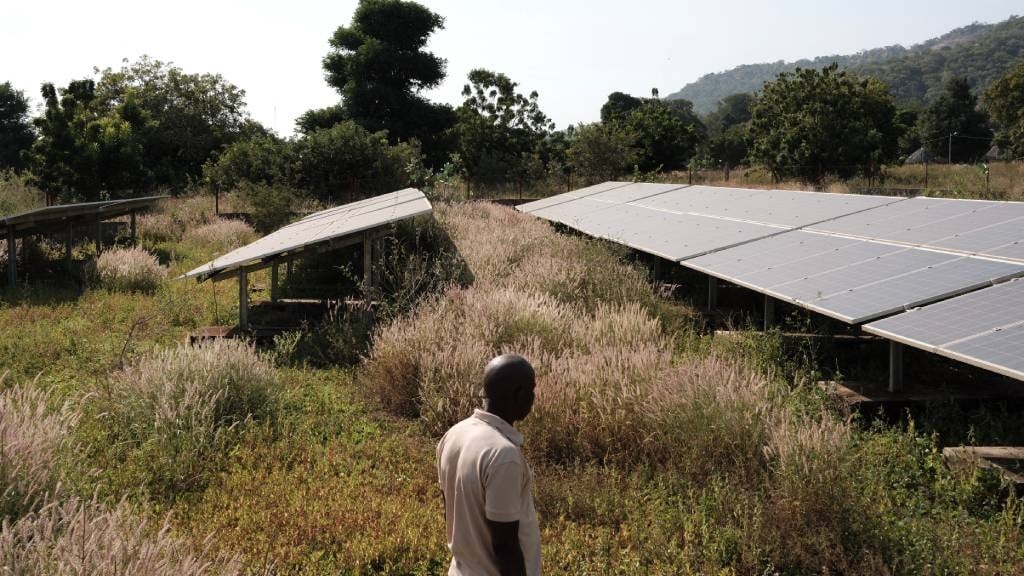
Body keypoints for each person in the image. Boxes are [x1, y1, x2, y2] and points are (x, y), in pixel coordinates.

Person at [436, 354, 541, 576]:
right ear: (518, 395)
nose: (533, 398)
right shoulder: (504, 455)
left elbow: (451, 510)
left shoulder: (454, 434)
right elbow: (506, 547)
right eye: (531, 390)